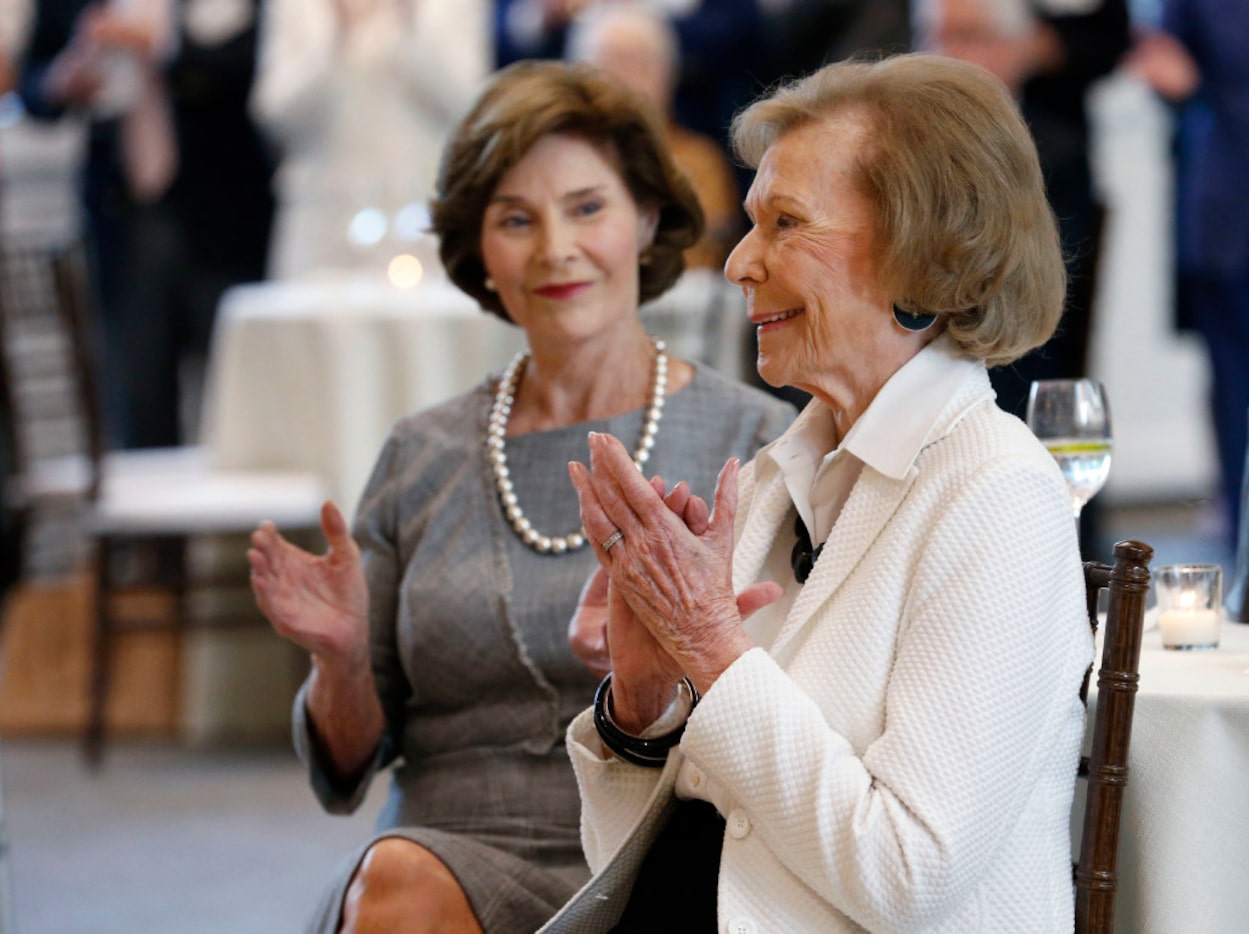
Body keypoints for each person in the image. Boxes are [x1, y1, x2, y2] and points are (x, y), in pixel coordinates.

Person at [247, 60, 795, 933]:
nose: (554, 248)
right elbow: (344, 770)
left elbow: (793, 715)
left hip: (665, 852)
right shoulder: (419, 453)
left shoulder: (756, 444)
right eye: (515, 219)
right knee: (397, 881)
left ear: (646, 219)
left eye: (586, 207)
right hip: (442, 856)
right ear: (478, 251)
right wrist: (341, 659)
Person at [552, 53, 1091, 931]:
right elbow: (676, 841)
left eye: (784, 224)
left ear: (927, 253)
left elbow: (905, 874)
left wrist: (713, 650)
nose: (736, 262)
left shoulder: (997, 497)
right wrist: (643, 705)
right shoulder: (781, 473)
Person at [248, 0, 491, 280]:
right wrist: (338, 37)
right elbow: (274, 114)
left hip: (422, 216)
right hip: (323, 221)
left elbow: (468, 108)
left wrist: (406, 30)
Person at [1127, 0, 1249, 548]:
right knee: (1234, 377)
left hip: (1223, 184)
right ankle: (1238, 519)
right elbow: (1165, 69)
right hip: (1227, 200)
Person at [567, 3, 740, 271]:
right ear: (581, 76)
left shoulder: (702, 163)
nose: (627, 80)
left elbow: (701, 256)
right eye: (612, 63)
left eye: (642, 65)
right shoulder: (559, 163)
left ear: (669, 75)